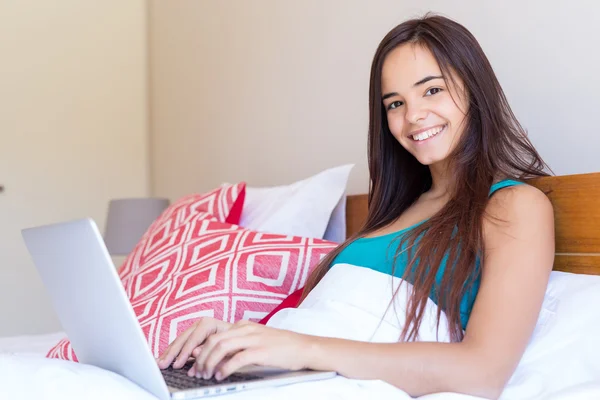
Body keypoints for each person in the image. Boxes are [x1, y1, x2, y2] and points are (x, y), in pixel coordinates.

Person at [156, 13, 555, 399]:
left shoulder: (513, 205)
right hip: (280, 377)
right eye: (394, 103)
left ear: (475, 89)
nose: (413, 116)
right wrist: (234, 339)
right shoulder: (388, 213)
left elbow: (482, 373)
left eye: (432, 90)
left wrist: (303, 348)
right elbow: (321, 318)